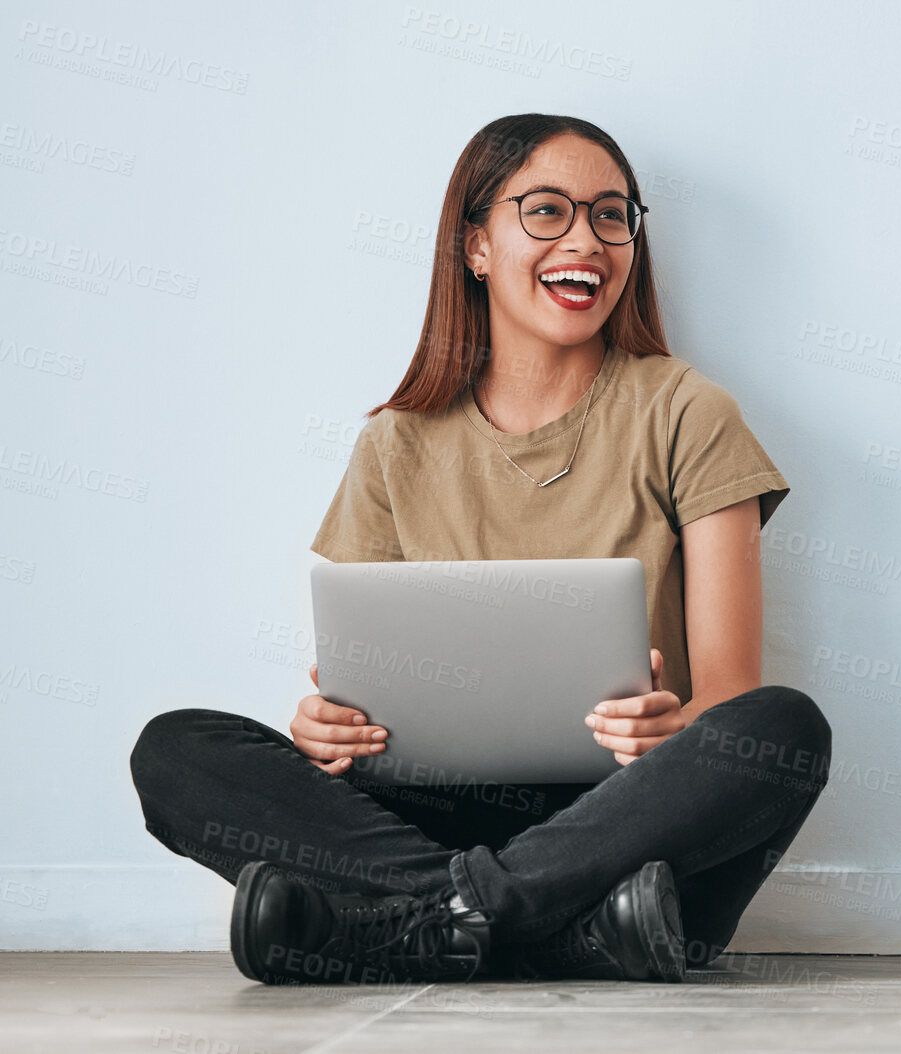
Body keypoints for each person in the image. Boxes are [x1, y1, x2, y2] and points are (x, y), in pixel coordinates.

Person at [128, 114, 831, 986]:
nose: (587, 239)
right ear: (475, 247)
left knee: (781, 731)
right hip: (431, 819)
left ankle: (404, 927)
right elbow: (365, 675)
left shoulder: (688, 412)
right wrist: (328, 730)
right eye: (546, 211)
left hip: (618, 821)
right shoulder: (395, 441)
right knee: (175, 748)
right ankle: (551, 934)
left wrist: (672, 725)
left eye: (612, 215)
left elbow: (729, 694)